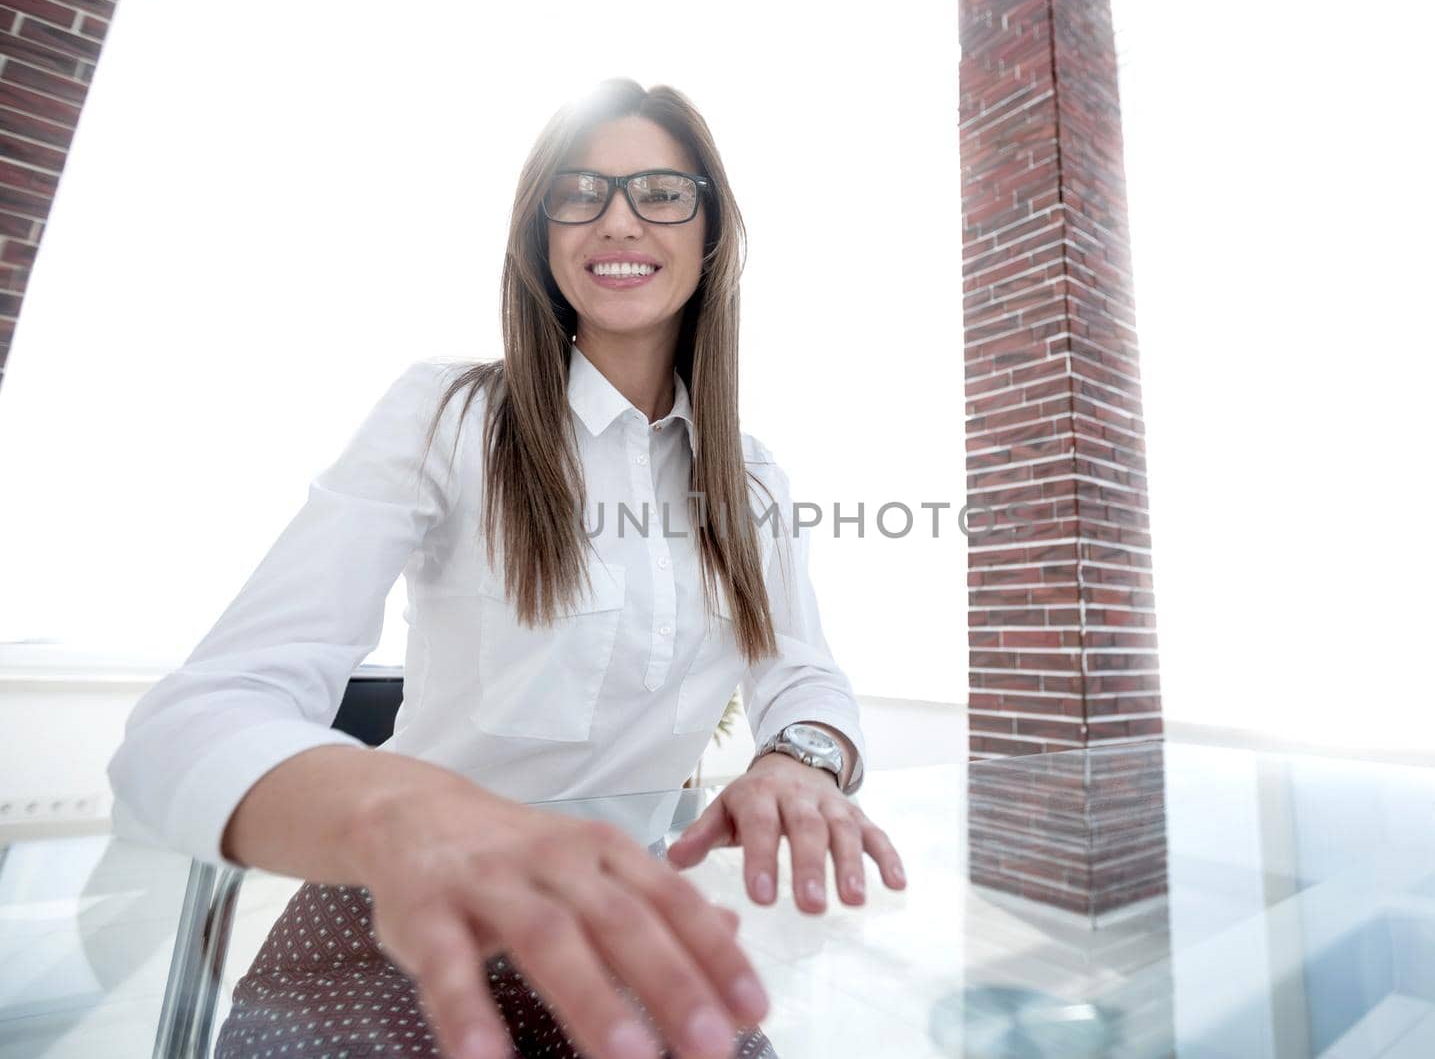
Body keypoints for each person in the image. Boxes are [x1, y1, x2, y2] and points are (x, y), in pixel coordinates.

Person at [106, 77, 906, 1059]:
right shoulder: (448, 415)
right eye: (578, 193)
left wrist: (800, 757)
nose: (617, 219)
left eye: (660, 191)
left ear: (710, 230)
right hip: (397, 909)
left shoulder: (752, 481)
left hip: (621, 917)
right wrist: (399, 813)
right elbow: (193, 719)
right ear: (542, 237)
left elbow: (804, 671)